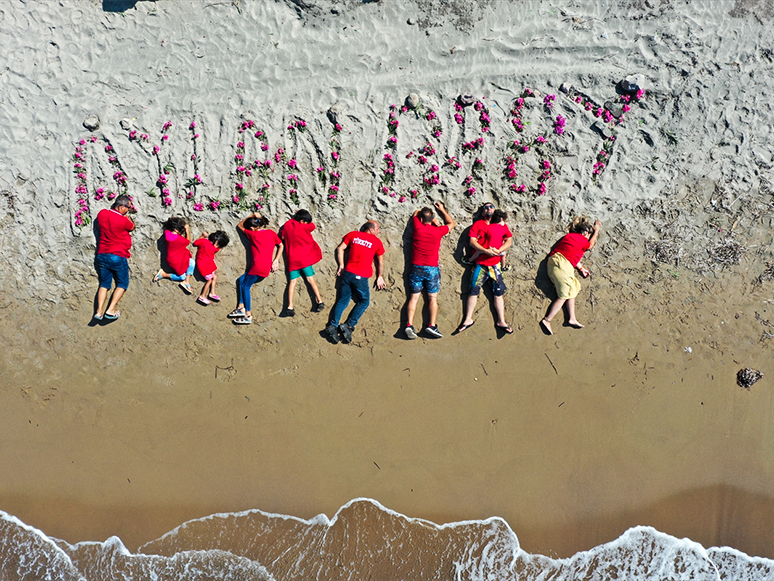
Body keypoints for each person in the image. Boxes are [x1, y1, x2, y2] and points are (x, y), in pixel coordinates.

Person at [325, 220, 386, 344]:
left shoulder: (353, 235)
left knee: (342, 300)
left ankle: (332, 325)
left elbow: (340, 248)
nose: (379, 231)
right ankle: (349, 325)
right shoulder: (376, 242)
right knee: (364, 301)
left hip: (348, 273)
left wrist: (341, 265)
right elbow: (380, 260)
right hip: (361, 276)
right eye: (378, 229)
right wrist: (380, 276)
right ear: (371, 230)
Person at [457, 209, 514, 335]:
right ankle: (467, 319)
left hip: (495, 265)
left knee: (498, 293)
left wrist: (498, 250)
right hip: (481, 264)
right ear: (482, 213)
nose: (489, 209)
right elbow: (472, 241)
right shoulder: (478, 225)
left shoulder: (502, 226)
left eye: (491, 207)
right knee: (473, 290)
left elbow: (509, 241)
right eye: (486, 208)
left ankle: (501, 321)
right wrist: (485, 250)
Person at [540, 217, 601, 335]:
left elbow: (570, 253)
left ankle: (571, 318)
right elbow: (591, 245)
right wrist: (597, 230)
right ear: (586, 233)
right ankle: (547, 320)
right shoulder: (582, 240)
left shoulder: (569, 237)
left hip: (558, 262)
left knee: (573, 286)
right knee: (564, 293)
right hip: (562, 264)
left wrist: (581, 268)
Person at [404, 201, 455, 339]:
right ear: (431, 219)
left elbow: (415, 212)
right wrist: (442, 211)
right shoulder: (438, 231)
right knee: (432, 298)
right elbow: (452, 224)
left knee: (413, 298)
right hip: (432, 268)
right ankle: (431, 326)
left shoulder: (417, 227)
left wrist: (425, 217)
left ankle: (409, 325)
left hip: (416, 267)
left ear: (421, 219)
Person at [229, 212, 283, 325]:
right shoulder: (271, 233)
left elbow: (240, 225)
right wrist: (276, 260)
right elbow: (280, 245)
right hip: (265, 267)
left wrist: (251, 215)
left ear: (253, 228)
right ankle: (240, 307)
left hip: (257, 267)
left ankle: (248, 314)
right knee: (240, 281)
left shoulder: (253, 235)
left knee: (245, 287)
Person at [93, 195, 135, 321]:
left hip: (101, 254)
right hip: (117, 254)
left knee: (104, 284)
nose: (128, 210)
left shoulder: (102, 214)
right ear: (121, 206)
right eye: (128, 207)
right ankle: (110, 310)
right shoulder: (123, 220)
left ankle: (99, 312)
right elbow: (132, 227)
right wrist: (126, 217)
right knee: (122, 283)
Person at [279, 209, 324, 316]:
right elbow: (313, 226)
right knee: (310, 279)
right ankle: (320, 300)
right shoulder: (305, 226)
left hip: (292, 260)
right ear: (303, 221)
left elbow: (282, 236)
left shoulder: (287, 225)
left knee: (292, 282)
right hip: (304, 259)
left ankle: (290, 306)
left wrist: (296, 216)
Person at [152, 216, 195, 294]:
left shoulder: (167, 233)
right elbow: (188, 241)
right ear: (176, 230)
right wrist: (187, 230)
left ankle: (187, 281)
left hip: (171, 258)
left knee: (191, 262)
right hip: (176, 260)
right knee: (182, 276)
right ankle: (164, 274)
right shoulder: (179, 240)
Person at [193, 230, 230, 306]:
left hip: (204, 264)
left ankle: (212, 293)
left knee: (214, 276)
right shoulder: (214, 248)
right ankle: (202, 296)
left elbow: (196, 242)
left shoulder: (203, 242)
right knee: (209, 280)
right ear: (216, 242)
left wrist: (202, 236)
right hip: (204, 266)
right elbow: (216, 249)